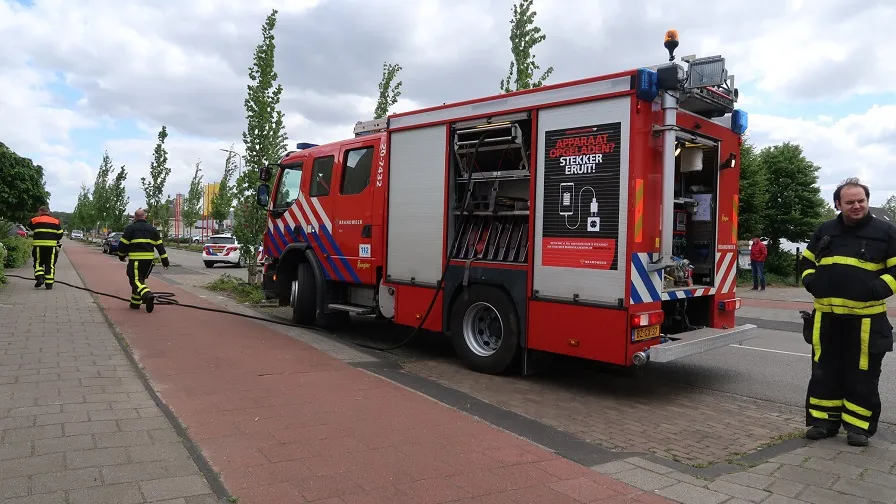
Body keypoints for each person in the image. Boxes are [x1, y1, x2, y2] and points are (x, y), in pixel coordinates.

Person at [799, 177, 895, 447]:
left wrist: (876, 289)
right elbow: (806, 262)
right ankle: (822, 422)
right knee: (824, 371)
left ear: (867, 201)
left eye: (861, 201)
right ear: (838, 204)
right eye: (850, 202)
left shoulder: (886, 232)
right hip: (826, 318)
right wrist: (811, 282)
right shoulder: (826, 229)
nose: (857, 206)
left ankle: (859, 427)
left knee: (862, 375)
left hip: (865, 320)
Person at [117, 208, 169, 312]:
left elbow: (123, 245)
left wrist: (121, 256)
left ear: (135, 217)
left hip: (136, 260)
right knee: (140, 280)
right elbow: (160, 246)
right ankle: (135, 303)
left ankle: (147, 295)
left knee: (135, 280)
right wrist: (165, 261)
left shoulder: (130, 229)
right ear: (145, 217)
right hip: (149, 262)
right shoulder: (153, 229)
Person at [25, 206, 63, 289]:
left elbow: (28, 228)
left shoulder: (35, 220)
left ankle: (40, 278)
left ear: (40, 212)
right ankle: (49, 284)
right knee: (50, 264)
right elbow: (60, 234)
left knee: (38, 262)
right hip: (51, 247)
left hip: (39, 246)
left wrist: (37, 231)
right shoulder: (56, 221)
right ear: (48, 212)